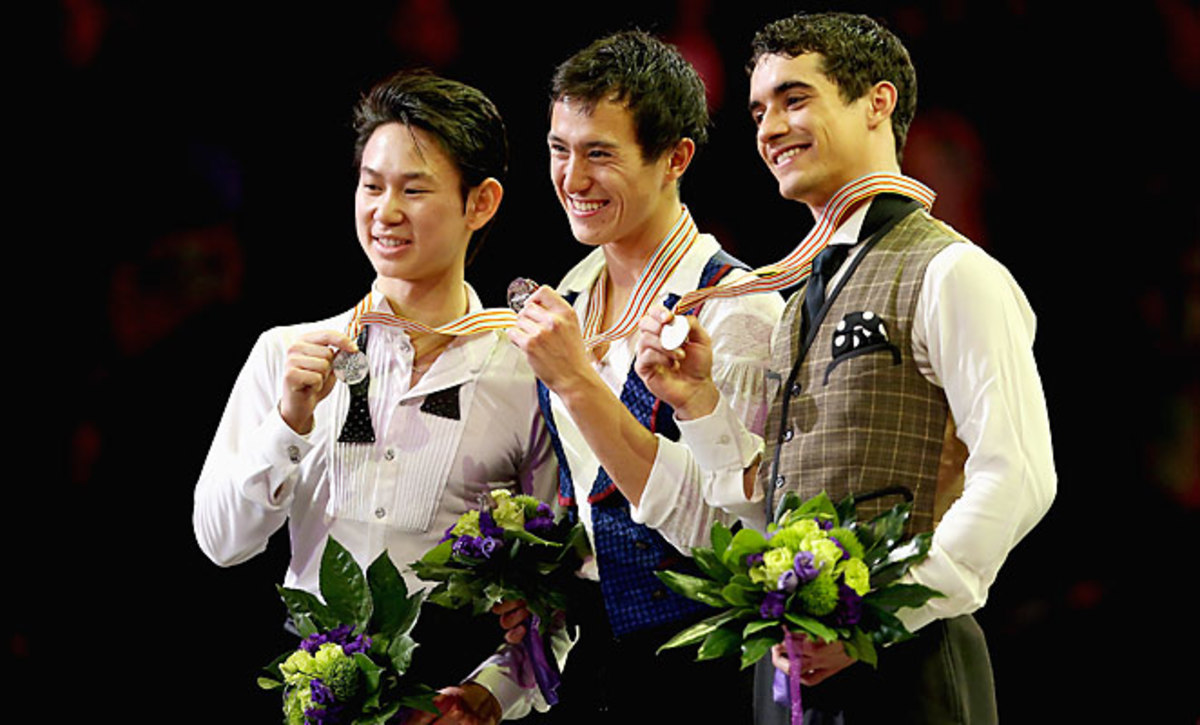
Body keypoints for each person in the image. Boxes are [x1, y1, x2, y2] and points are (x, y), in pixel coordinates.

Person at [635, 12, 1056, 724]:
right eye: (760, 110)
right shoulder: (799, 298)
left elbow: (1019, 474)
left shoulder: (952, 270)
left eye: (795, 99)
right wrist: (701, 404)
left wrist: (880, 612)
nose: (769, 128)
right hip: (795, 674)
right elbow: (768, 498)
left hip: (909, 663)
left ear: (877, 104)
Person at [192, 69, 558, 724]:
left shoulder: (527, 372)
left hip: (446, 704)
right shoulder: (288, 353)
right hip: (314, 699)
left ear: (482, 202)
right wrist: (289, 422)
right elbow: (222, 541)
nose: (385, 211)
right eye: (371, 185)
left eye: (414, 190)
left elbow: (554, 595)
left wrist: (489, 694)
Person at [505, 30, 783, 721]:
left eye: (600, 153)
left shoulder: (738, 308)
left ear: (675, 158)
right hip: (593, 658)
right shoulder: (571, 291)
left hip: (704, 659)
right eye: (558, 149)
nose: (572, 179)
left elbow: (730, 533)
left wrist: (579, 383)